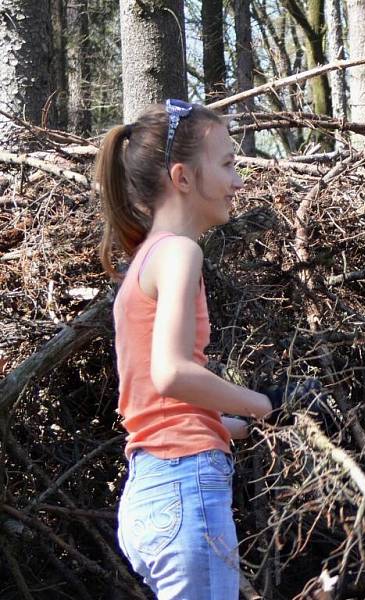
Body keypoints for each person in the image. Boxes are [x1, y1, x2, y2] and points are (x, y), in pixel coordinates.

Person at [96, 99, 279, 599]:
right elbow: (172, 374)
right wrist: (261, 402)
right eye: (227, 164)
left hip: (152, 490)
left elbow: (163, 409)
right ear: (181, 177)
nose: (238, 181)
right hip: (183, 487)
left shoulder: (145, 260)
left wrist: (248, 423)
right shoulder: (180, 253)